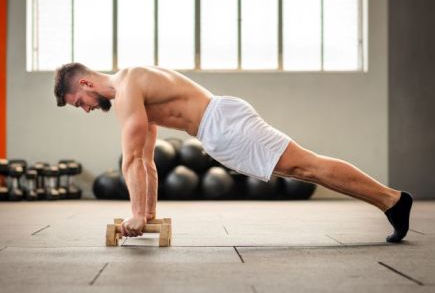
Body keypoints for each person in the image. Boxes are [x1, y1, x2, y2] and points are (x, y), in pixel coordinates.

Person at [53, 63, 413, 242]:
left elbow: (131, 160)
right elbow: (145, 160)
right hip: (218, 129)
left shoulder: (129, 86)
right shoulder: (132, 93)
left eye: (78, 102)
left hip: (222, 123)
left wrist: (135, 216)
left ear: (85, 83)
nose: (84, 108)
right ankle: (391, 203)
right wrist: (144, 215)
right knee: (302, 170)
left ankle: (393, 199)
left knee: (308, 166)